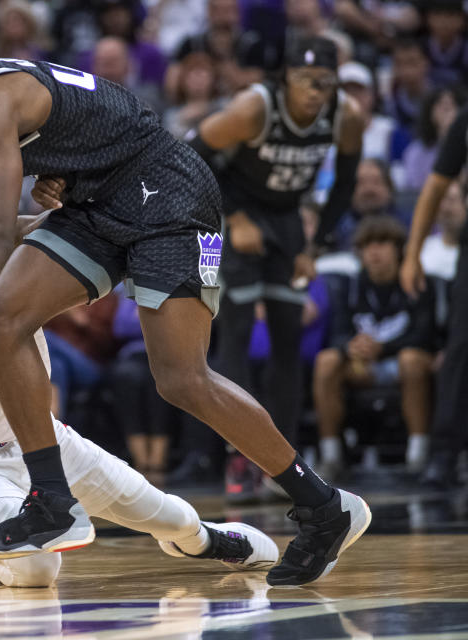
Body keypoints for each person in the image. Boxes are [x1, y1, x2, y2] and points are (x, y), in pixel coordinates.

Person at [0, 7, 369, 586]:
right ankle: (52, 497)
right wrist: (60, 168)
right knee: (2, 316)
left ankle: (325, 507)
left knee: (181, 378)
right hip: (100, 204)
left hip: (172, 200)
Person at [0, 173, 279, 587]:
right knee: (37, 569)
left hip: (38, 439)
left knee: (171, 517)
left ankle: (202, 541)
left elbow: (63, 228)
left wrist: (71, 205)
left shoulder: (0, 240)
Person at [187, 36, 365, 504]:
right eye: (306, 82)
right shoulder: (253, 108)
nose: (314, 92)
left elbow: (345, 185)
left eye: (324, 84)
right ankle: (239, 456)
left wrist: (317, 243)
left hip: (286, 219)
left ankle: (281, 458)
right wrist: (235, 217)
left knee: (288, 337)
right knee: (238, 332)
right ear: (286, 77)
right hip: (231, 212)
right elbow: (191, 154)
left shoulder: (346, 116)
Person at [314, 216, 437, 478]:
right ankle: (331, 455)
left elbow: (425, 335)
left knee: (411, 359)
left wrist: (383, 348)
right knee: (326, 361)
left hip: (403, 362)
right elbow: (337, 334)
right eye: (367, 245)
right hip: (364, 366)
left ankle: (419, 454)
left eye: (382, 243)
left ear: (398, 249)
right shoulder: (351, 286)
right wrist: (352, 347)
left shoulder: (416, 282)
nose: (374, 251)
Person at [400, 102, 468, 488]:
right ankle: (445, 452)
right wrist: (412, 254)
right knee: (460, 349)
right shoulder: (464, 122)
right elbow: (436, 186)